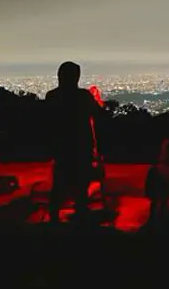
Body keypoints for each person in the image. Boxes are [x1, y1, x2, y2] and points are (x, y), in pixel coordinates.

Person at [45, 61, 103, 224]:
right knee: (81, 185)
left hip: (60, 146)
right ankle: (81, 218)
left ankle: (54, 217)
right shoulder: (83, 96)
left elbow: (46, 122)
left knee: (59, 183)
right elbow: (98, 114)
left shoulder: (52, 96)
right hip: (81, 147)